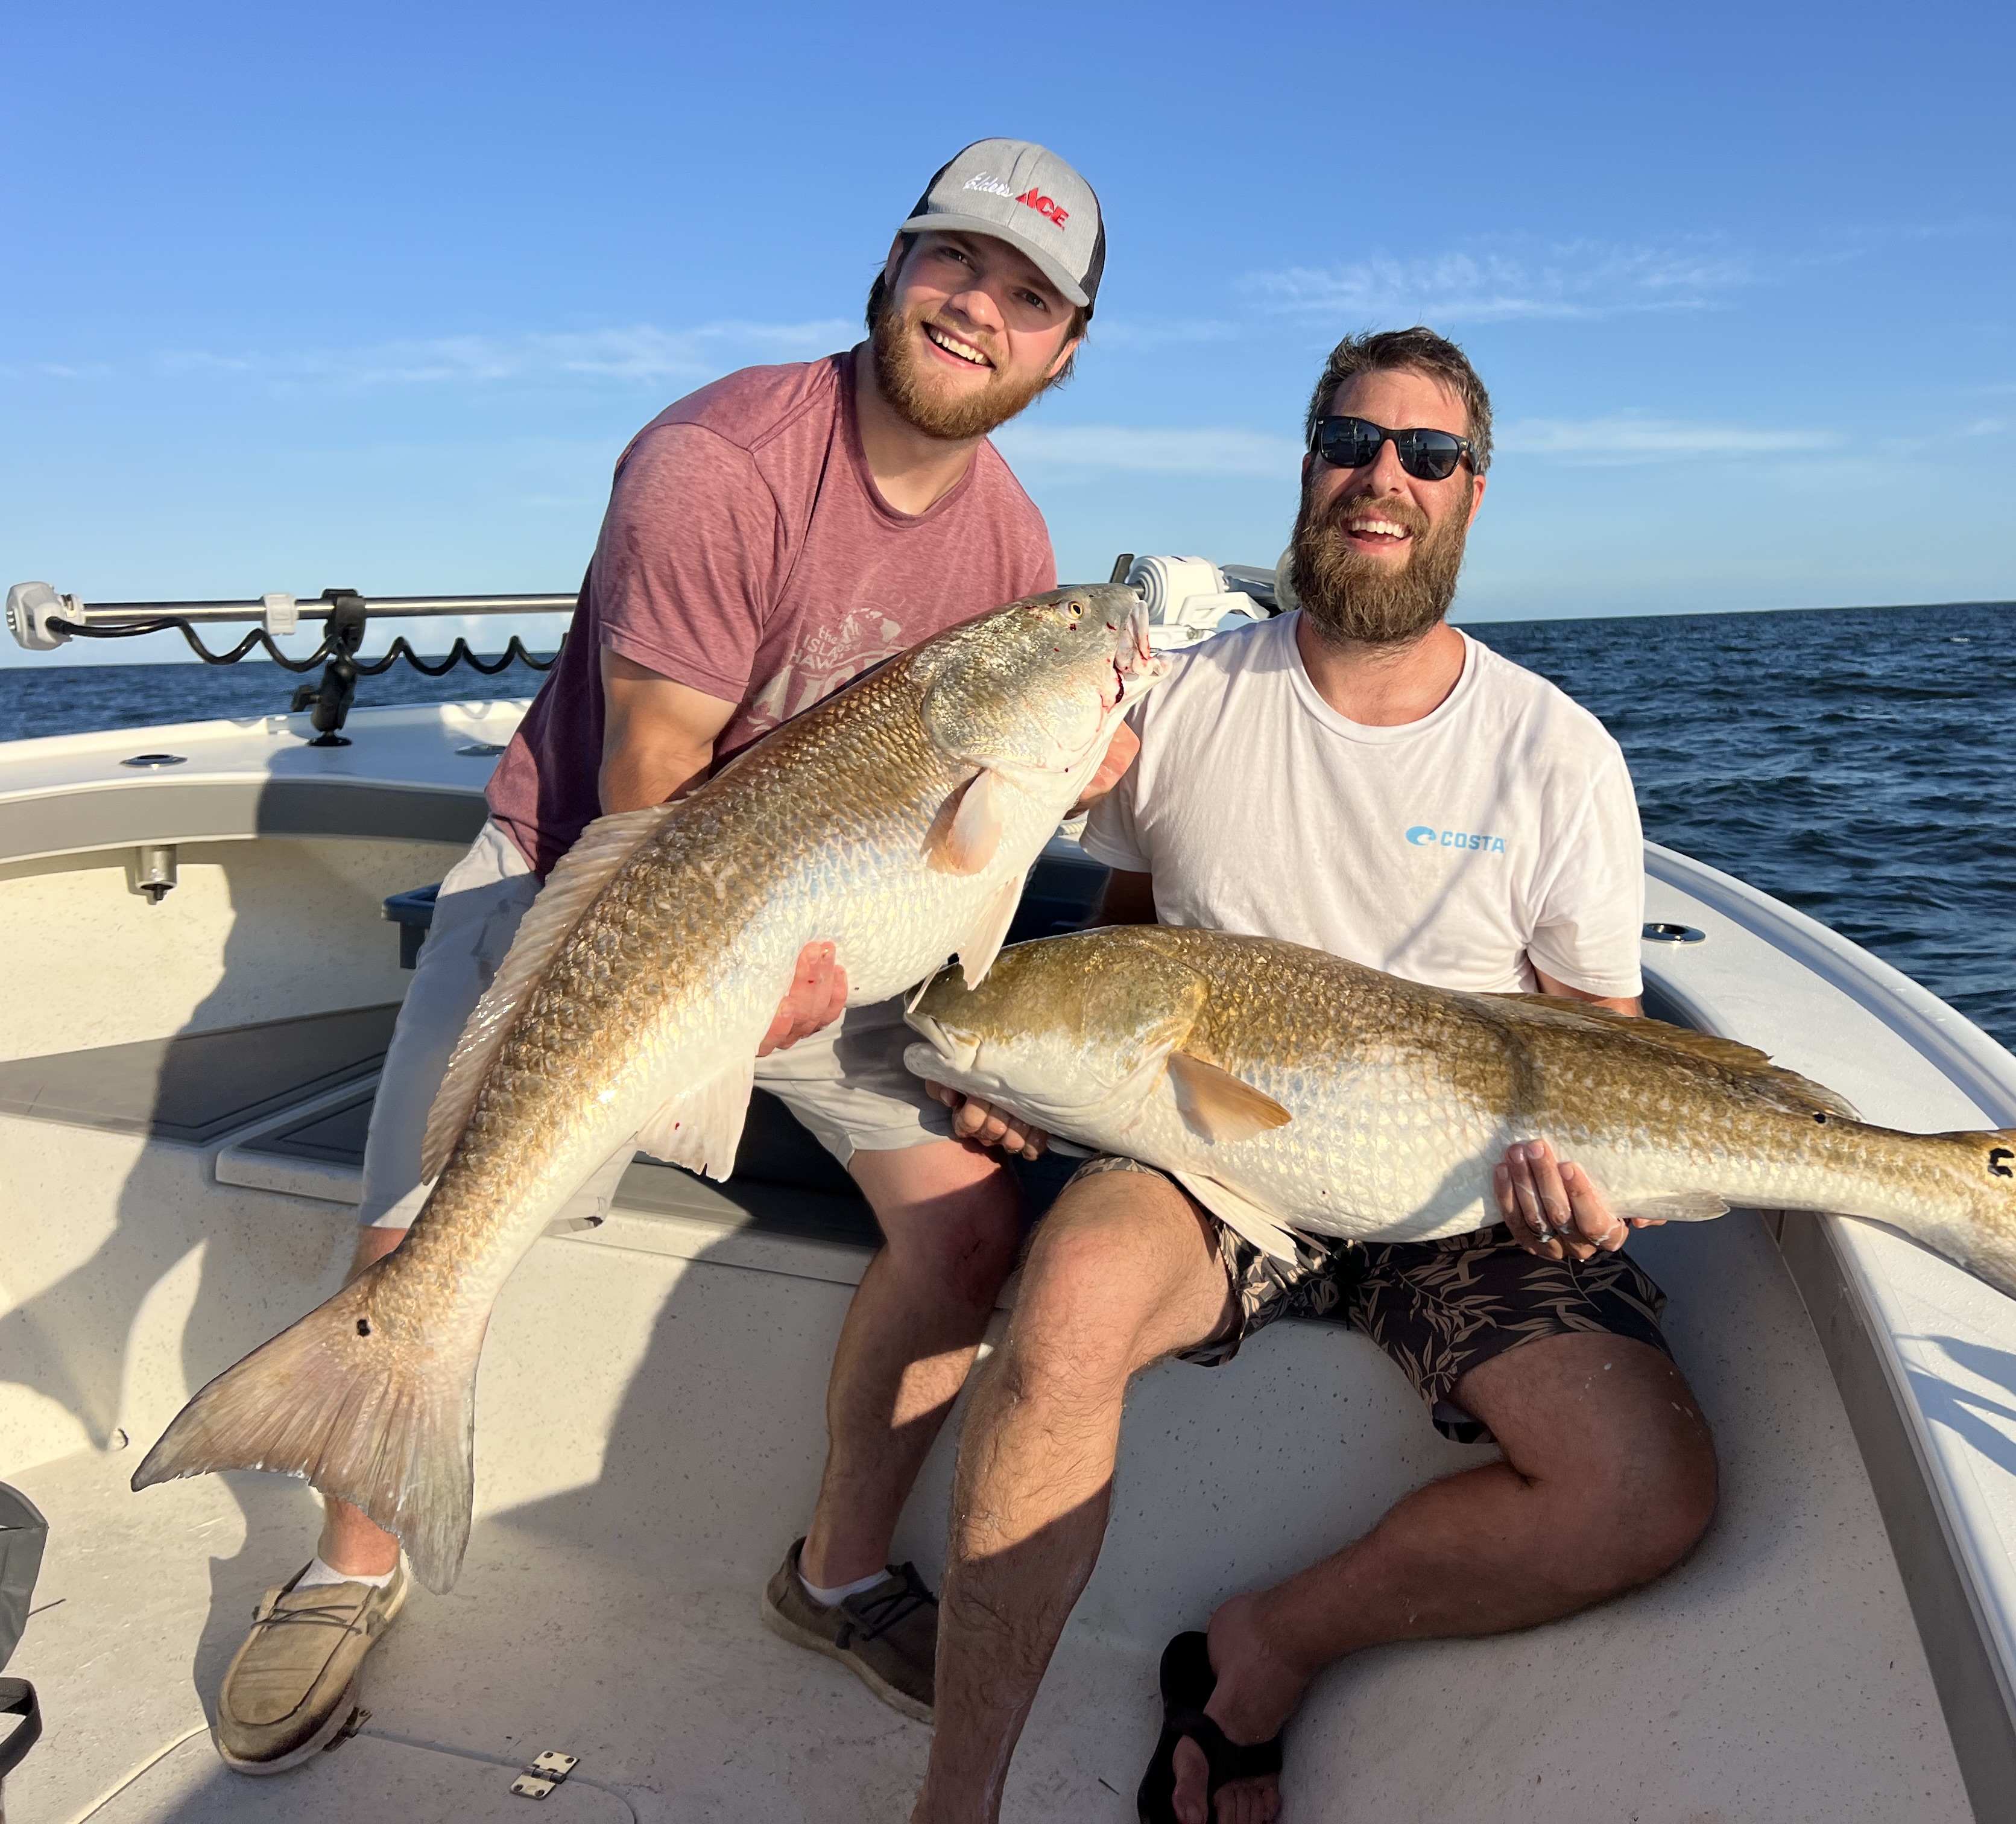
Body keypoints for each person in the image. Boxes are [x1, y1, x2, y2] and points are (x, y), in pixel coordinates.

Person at [206, 138, 1128, 1775]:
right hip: (592, 880)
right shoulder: (721, 457)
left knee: (974, 1228)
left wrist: (1060, 779)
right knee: (428, 1223)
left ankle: (834, 1574)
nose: (978, 311)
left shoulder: (1012, 546)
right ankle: (350, 1561)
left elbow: (966, 854)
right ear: (896, 267)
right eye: (955, 265)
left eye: (1028, 298)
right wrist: (748, 980)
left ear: (1065, 351)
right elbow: (647, 794)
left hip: (820, 936)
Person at [914, 329, 1719, 1824]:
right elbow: (1129, 938)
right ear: (1306, 468)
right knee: (1070, 1300)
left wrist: (1596, 1198)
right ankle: (952, 1806)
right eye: (1352, 442)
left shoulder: (1559, 755)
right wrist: (1029, 1070)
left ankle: (1268, 1648)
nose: (1384, 479)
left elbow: (1602, 1034)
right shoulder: (1181, 706)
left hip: (1472, 1191)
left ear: (1475, 494)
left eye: (1429, 456)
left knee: (1646, 1494)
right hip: (1217, 1157)